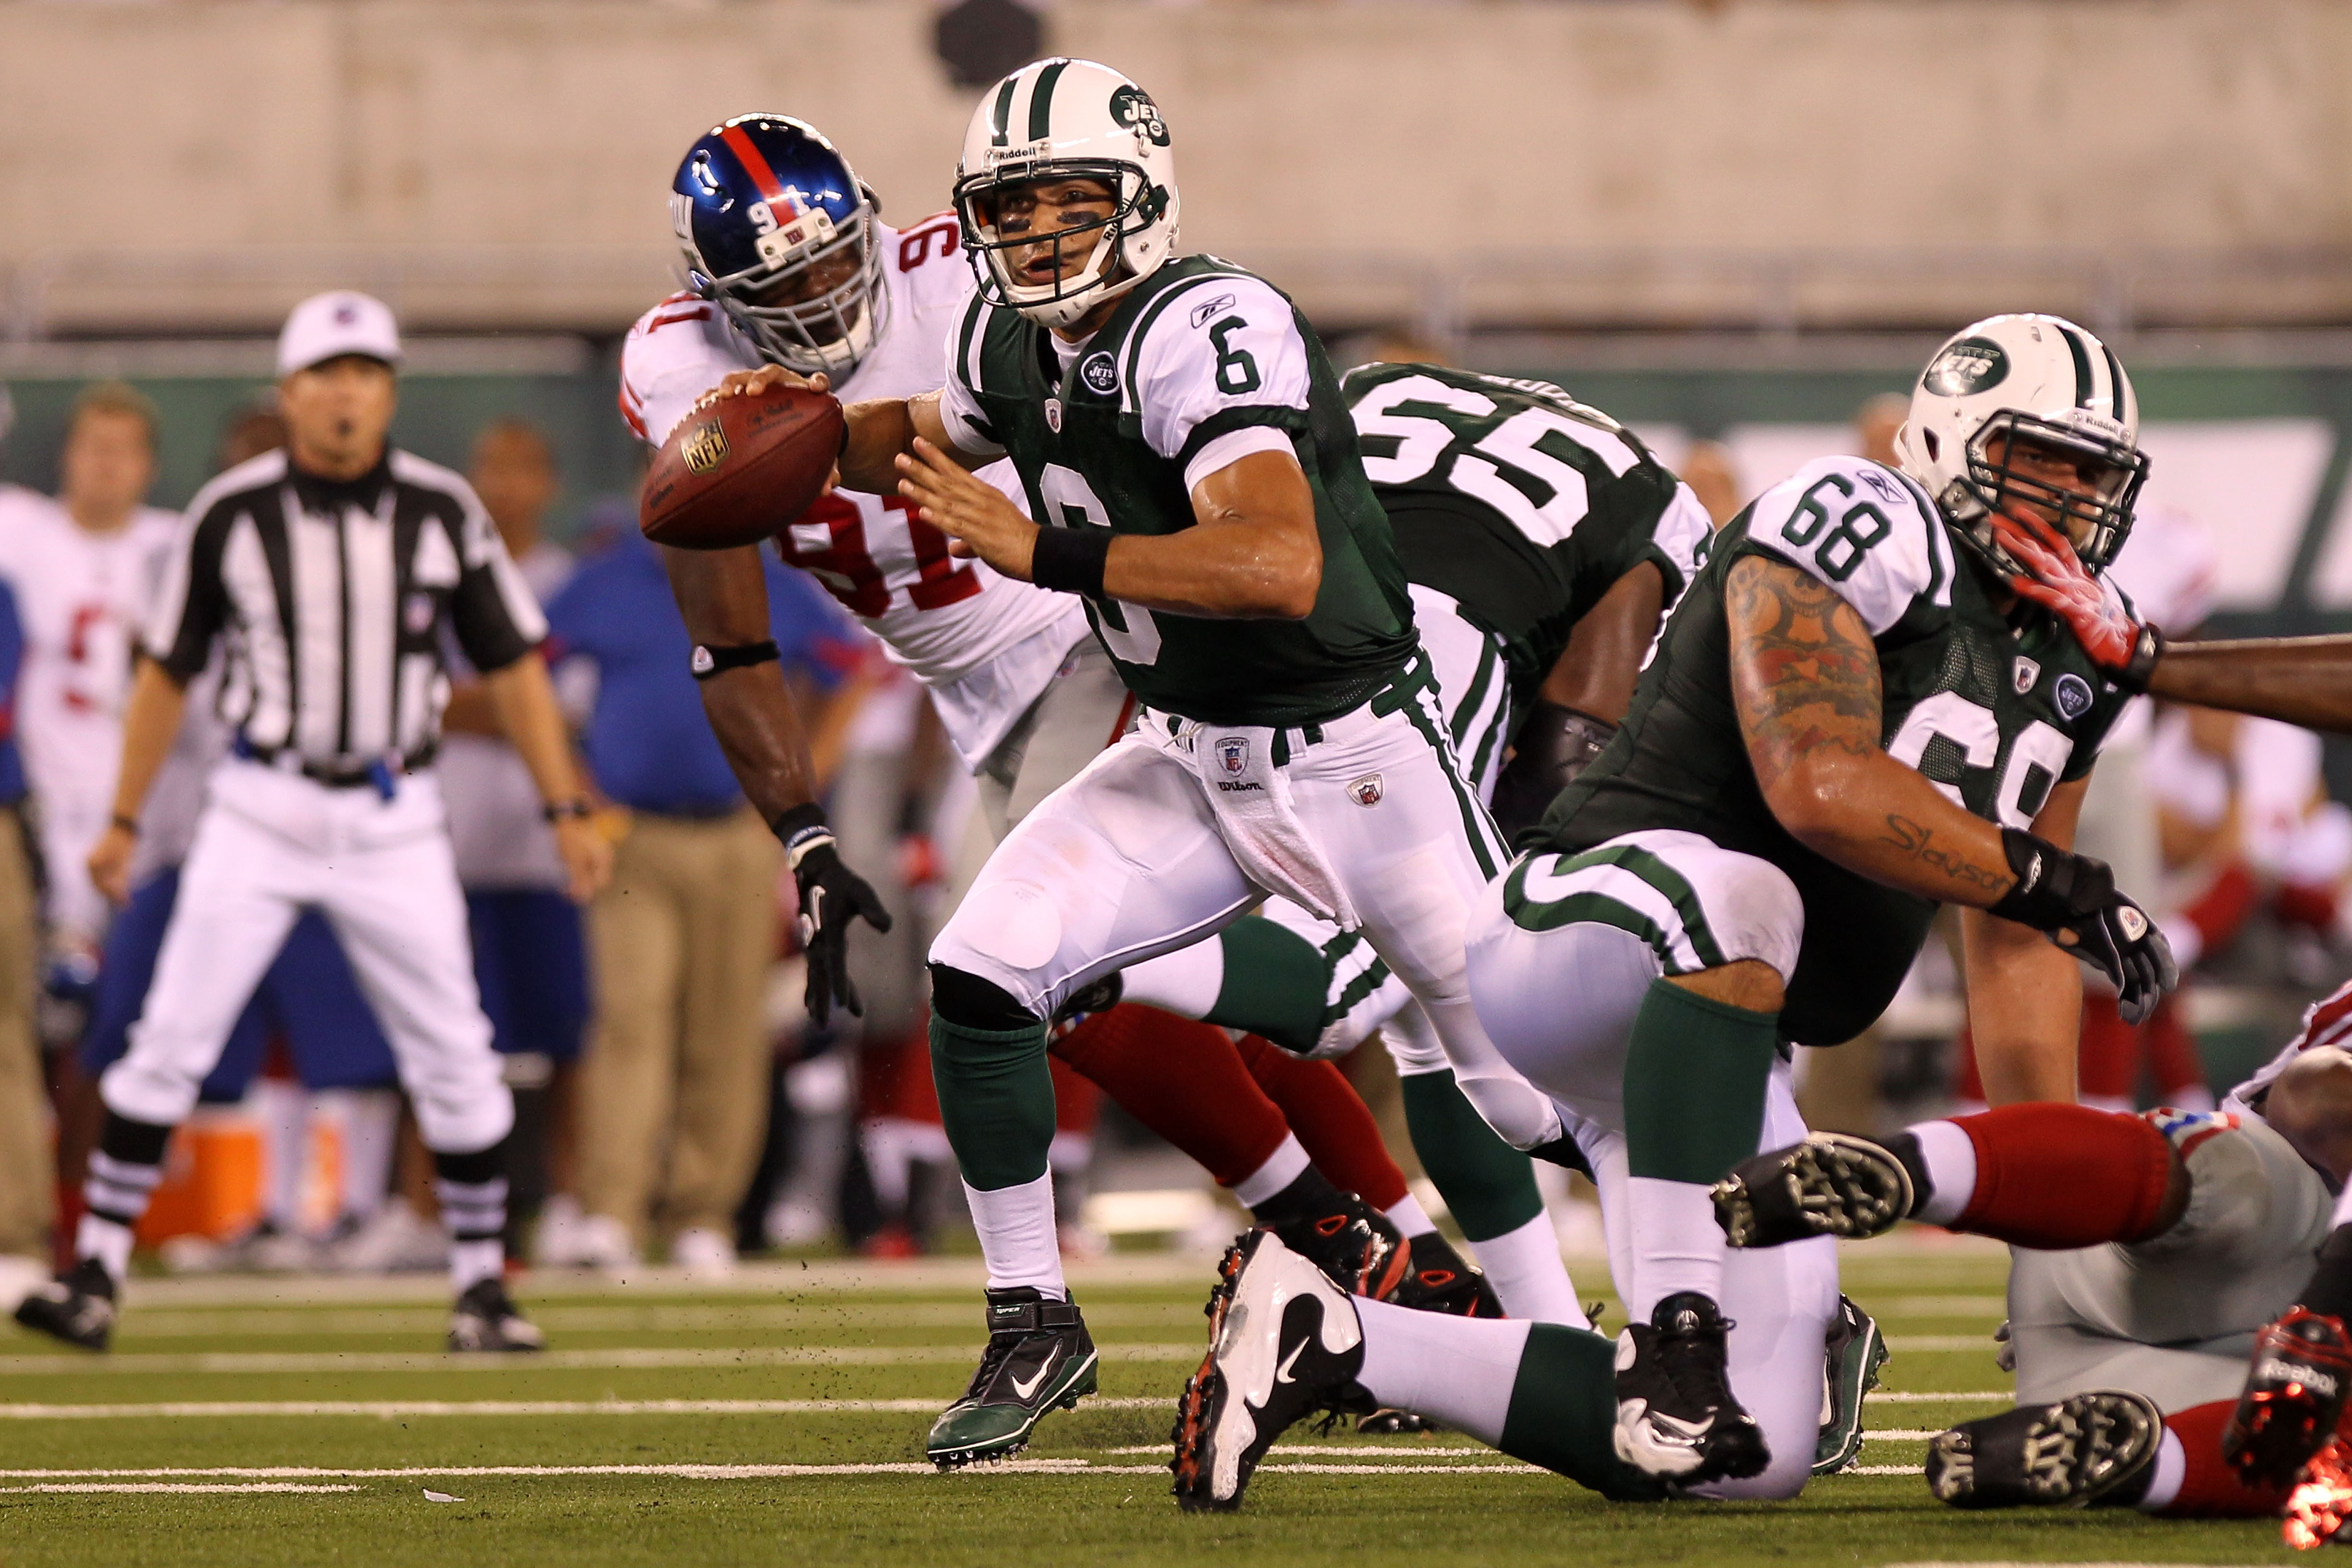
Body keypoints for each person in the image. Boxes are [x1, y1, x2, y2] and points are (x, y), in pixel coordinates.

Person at [1171, 312, 2180, 1511]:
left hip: (1707, 1028)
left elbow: (2013, 949)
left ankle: (1330, 1335)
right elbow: (1818, 784)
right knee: (1744, 895)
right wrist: (2046, 880)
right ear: (1955, 435)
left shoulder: (2071, 646)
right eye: (2042, 457)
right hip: (1580, 921)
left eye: (2096, 474)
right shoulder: (1859, 517)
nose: (2071, 498)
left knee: (1741, 1461)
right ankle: (1672, 1330)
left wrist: (2042, 1231)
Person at [764, 57, 1596, 1470]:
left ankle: (1718, 1276)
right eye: (1010, 212)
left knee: (1525, 1090)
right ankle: (1034, 1313)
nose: (1036, 238)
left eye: (1066, 204)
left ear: (1139, 198)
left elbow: (1275, 560)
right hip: (1193, 755)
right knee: (987, 967)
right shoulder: (1006, 345)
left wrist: (1041, 550)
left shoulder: (1207, 320)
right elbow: (903, 432)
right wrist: (769, 441)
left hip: (1356, 760)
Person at [638, 115, 1491, 1342]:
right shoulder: (677, 369)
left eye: (835, 260)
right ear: (713, 298)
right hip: (969, 695)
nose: (824, 295)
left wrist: (1051, 546)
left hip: (1097, 636)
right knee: (1146, 993)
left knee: (1059, 973)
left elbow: (1128, 400)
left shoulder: (971, 274)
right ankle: (1399, 1245)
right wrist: (805, 836)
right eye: (782, 286)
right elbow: (727, 634)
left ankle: (1342, 1238)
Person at [12, 290, 609, 1354]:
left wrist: (565, 804)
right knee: (170, 1036)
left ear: (387, 392)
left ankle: (482, 1286)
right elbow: (167, 673)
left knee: (456, 1052)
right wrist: (121, 818)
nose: (346, 394)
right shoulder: (233, 514)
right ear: (291, 395)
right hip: (262, 802)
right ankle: (97, 1269)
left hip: (392, 809)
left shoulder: (440, 511)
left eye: (365, 374)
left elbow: (513, 668)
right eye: (327, 375)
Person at [1710, 976, 2352, 1525]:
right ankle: (1915, 1170)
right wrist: (2322, 1320)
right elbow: (2314, 1097)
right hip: (2182, 1248)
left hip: (2102, 1359)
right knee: (2245, 1181)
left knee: (2316, 1440)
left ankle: (2132, 1464)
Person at [548, 496, 853, 1274]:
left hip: (736, 832)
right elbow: (518, 670)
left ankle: (702, 1211)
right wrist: (575, 789)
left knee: (726, 1022)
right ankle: (613, 1208)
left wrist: (796, 790)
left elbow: (848, 672)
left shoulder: (766, 578)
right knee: (629, 1016)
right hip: (633, 837)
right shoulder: (602, 577)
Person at [439, 419, 592, 1263]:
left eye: (522, 465)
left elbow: (567, 708)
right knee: (443, 1033)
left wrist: (484, 704)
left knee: (563, 1032)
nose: (504, 483)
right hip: (447, 838)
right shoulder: (435, 575)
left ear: (549, 483)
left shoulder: (567, 581)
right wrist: (515, 704)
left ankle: (568, 1197)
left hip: (543, 843)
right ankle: (423, 1209)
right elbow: (418, 700)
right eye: (490, 465)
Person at [0, 385, 179, 982]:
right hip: (43, 786)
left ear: (149, 466)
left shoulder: (175, 544)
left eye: (123, 450)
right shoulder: (23, 530)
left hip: (146, 790)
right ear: (65, 456)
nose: (105, 464)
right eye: (93, 446)